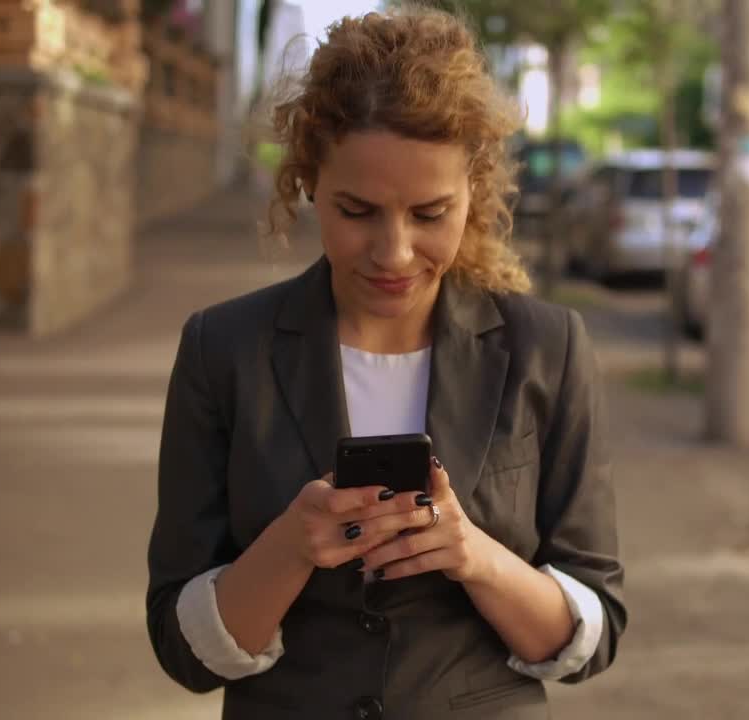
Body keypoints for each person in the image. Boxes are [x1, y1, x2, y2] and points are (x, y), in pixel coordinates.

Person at [145, 8, 625, 719]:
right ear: (308, 180)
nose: (393, 252)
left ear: (473, 193)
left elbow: (594, 635)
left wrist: (473, 554)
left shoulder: (546, 349)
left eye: (430, 214)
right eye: (357, 210)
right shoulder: (224, 349)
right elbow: (182, 651)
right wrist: (290, 545)